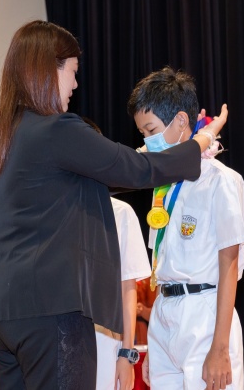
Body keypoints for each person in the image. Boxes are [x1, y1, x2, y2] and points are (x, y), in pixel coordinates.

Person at [0, 20, 229, 390]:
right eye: (72, 71)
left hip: (0, 311)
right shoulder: (57, 129)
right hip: (49, 307)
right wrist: (200, 140)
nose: (75, 85)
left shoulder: (5, 136)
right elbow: (134, 169)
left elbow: (101, 177)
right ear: (49, 69)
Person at [127, 66, 244, 390]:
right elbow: (162, 263)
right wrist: (156, 342)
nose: (147, 141)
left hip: (204, 314)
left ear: (181, 121)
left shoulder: (221, 181)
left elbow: (229, 264)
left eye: (151, 130)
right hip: (164, 314)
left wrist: (220, 347)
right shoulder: (163, 187)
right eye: (141, 133)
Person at [83, 117, 151, 390]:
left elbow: (127, 287)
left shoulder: (121, 213)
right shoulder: (53, 212)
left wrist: (127, 353)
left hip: (105, 339)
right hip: (58, 340)